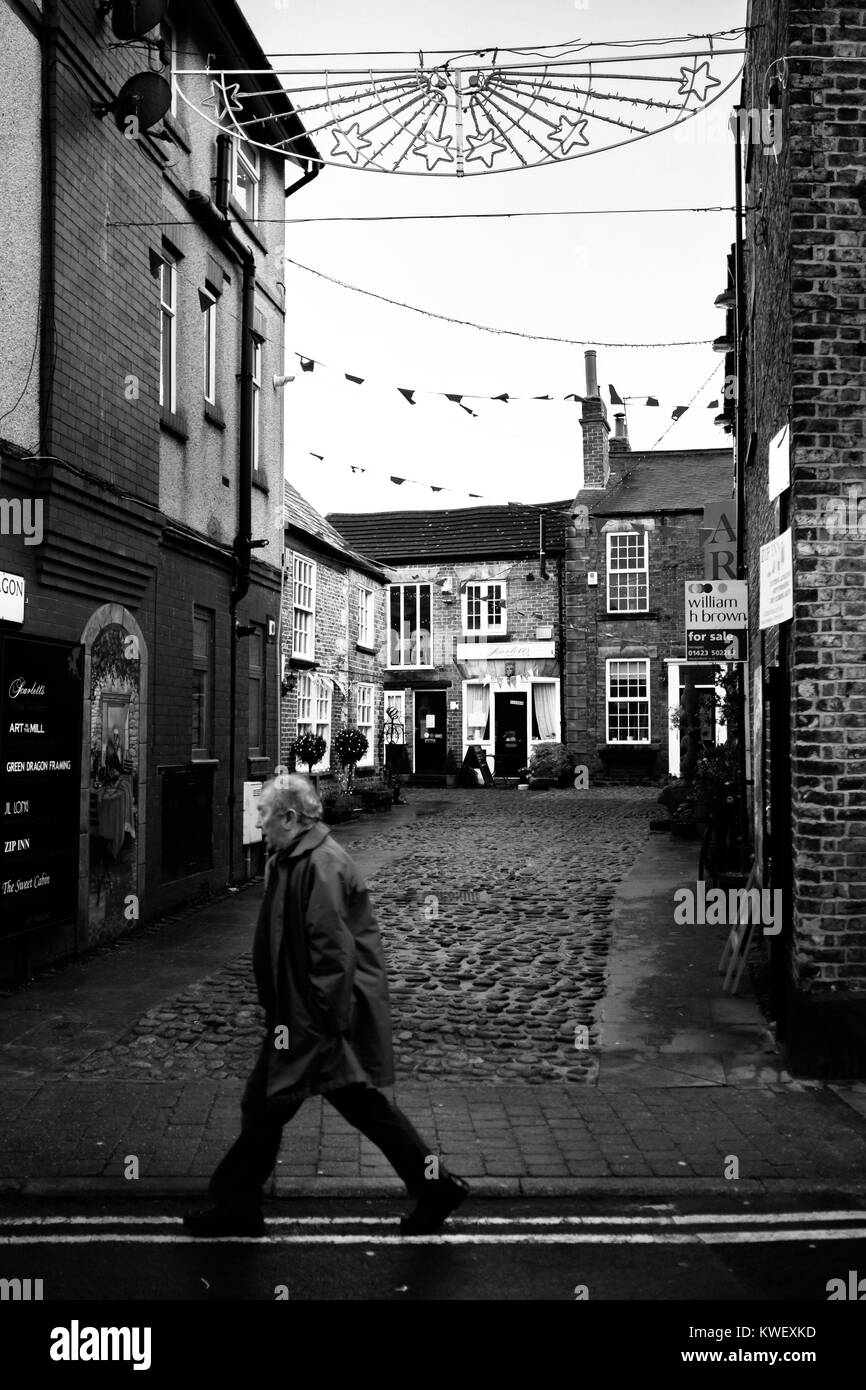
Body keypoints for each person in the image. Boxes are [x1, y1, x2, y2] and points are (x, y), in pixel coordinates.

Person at [184, 772, 468, 1238]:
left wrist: (320, 1024)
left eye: (266, 816)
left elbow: (333, 954)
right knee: (355, 1108)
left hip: (313, 1021)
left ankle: (235, 1203)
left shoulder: (320, 865)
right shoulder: (294, 858)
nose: (261, 825)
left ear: (291, 818)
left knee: (267, 1104)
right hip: (303, 1017)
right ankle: (435, 1187)